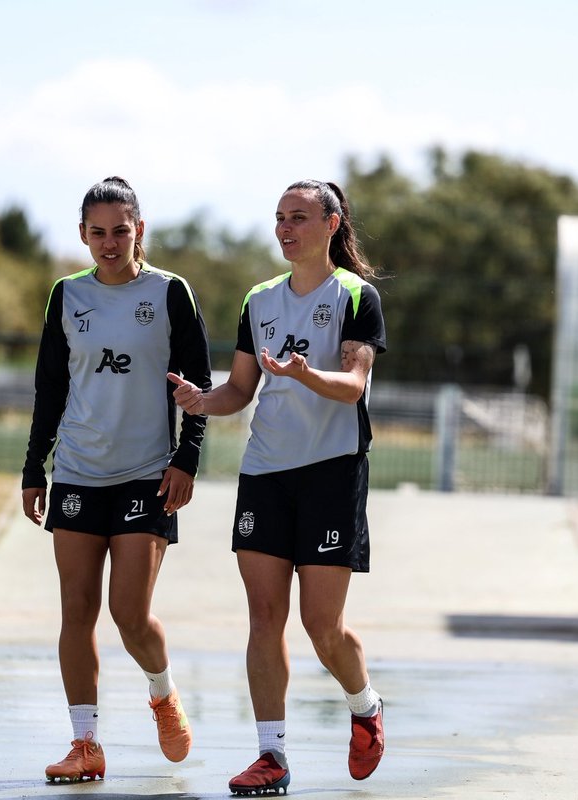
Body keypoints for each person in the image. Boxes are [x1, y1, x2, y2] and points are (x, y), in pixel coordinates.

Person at [168, 179, 387, 795]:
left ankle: (365, 705)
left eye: (299, 217)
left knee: (323, 627)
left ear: (332, 224)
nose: (285, 229)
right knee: (264, 618)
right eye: (279, 218)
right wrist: (200, 401)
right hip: (265, 471)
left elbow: (354, 386)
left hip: (332, 471)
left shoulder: (355, 296)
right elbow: (239, 390)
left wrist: (303, 373)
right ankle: (272, 755)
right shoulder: (259, 300)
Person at [21, 176, 211, 784]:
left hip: (145, 476)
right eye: (97, 232)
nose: (109, 242)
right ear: (82, 234)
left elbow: (199, 386)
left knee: (129, 614)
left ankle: (161, 692)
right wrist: (34, 467)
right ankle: (85, 743)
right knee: (76, 609)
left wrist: (188, 457)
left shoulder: (169, 292)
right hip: (77, 470)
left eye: (120, 231)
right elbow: (50, 385)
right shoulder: (66, 295)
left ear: (140, 232)